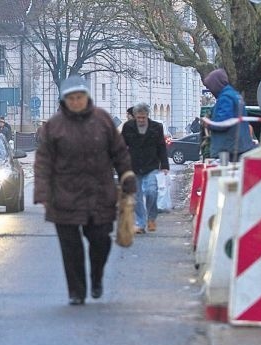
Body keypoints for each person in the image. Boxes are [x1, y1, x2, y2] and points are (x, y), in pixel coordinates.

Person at [34, 75, 136, 306]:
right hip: (64, 196)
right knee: (71, 247)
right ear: (64, 100)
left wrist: (127, 175)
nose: (76, 102)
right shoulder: (54, 127)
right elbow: (43, 162)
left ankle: (96, 276)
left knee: (101, 240)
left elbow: (119, 153)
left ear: (87, 98)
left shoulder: (103, 121)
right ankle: (76, 292)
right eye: (72, 98)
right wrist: (42, 192)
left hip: (99, 193)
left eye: (80, 97)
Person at [121, 103, 170, 234]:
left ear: (148, 116)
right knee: (136, 196)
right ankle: (140, 223)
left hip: (151, 165)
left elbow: (161, 147)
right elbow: (121, 147)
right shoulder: (128, 127)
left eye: (143, 117)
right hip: (134, 165)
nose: (141, 120)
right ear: (135, 116)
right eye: (138, 117)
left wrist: (164, 165)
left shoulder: (157, 128)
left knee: (151, 192)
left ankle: (152, 218)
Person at [202, 68, 255, 161]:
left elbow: (223, 123)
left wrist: (209, 123)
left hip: (229, 149)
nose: (211, 91)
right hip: (241, 147)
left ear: (216, 84)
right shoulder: (235, 95)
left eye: (210, 88)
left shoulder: (225, 98)